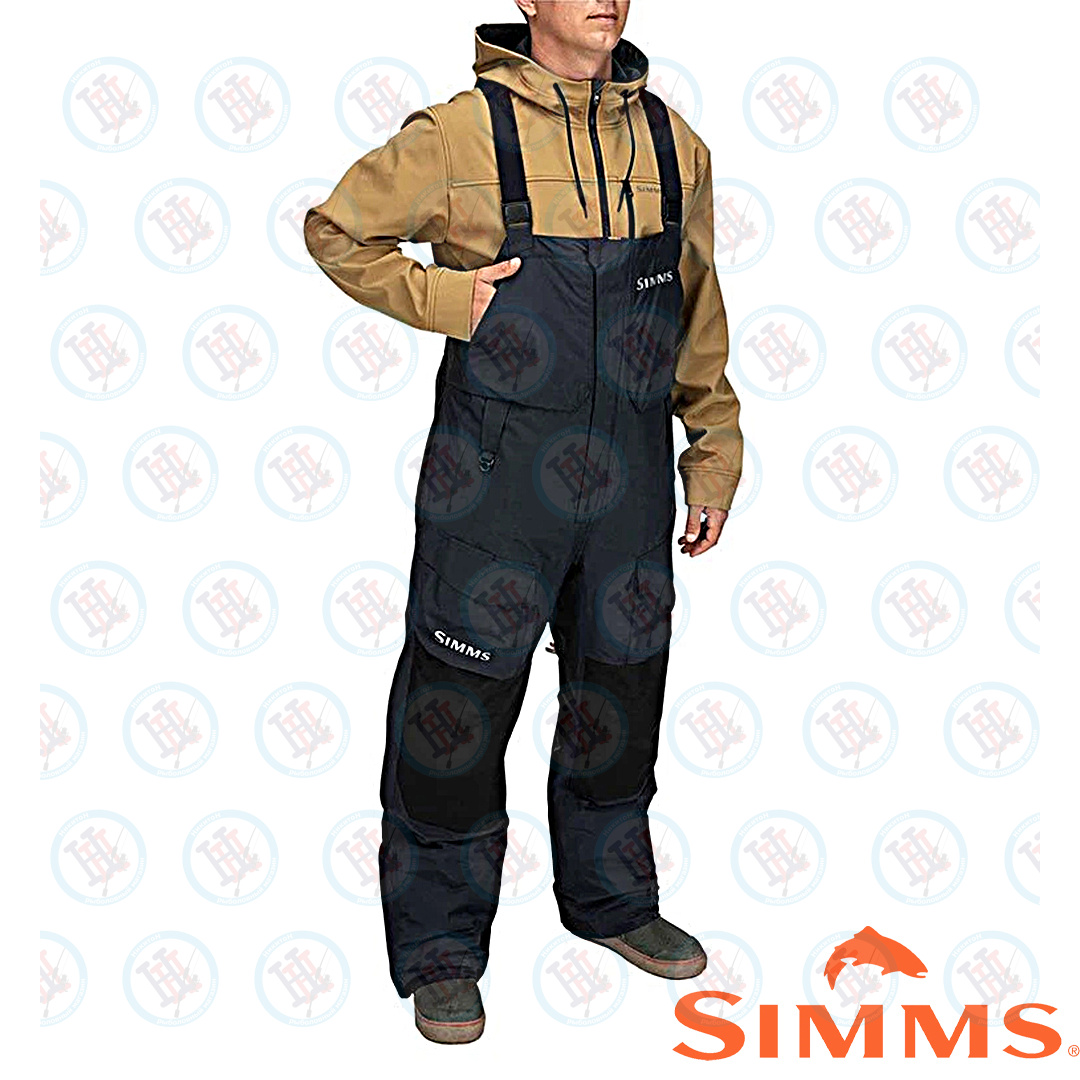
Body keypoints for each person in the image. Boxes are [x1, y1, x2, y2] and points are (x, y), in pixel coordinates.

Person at [304, 0, 743, 1044]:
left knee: (621, 693)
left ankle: (612, 902)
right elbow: (336, 229)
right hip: (495, 487)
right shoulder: (459, 136)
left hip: (631, 482)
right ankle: (442, 951)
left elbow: (697, 306)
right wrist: (442, 301)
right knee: (454, 713)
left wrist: (713, 448)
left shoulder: (673, 143)